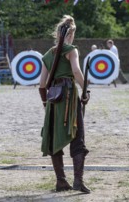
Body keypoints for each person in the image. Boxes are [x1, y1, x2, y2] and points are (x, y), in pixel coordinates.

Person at [38, 15, 91, 194]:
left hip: (53, 100)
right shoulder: (71, 50)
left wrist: (46, 104)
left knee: (54, 139)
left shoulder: (47, 55)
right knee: (78, 136)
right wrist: (86, 90)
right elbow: (76, 71)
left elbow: (42, 85)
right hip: (68, 96)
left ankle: (61, 181)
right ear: (71, 33)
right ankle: (77, 181)